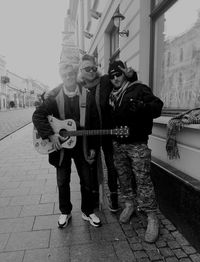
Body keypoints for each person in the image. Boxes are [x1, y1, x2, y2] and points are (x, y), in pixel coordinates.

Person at [32, 63, 101, 228]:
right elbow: (38, 115)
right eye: (65, 75)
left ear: (75, 74)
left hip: (82, 145)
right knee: (63, 181)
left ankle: (88, 211)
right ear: (61, 77)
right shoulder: (54, 96)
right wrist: (50, 134)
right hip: (61, 147)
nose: (69, 78)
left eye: (71, 74)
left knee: (87, 180)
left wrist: (93, 147)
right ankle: (65, 211)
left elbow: (95, 124)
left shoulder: (87, 95)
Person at [108, 60, 163, 243]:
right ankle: (130, 204)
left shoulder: (139, 88)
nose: (115, 78)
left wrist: (142, 107)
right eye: (112, 75)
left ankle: (152, 216)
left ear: (125, 74)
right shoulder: (111, 96)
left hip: (137, 144)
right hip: (118, 145)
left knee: (143, 180)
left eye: (118, 74)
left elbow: (157, 107)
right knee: (123, 178)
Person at [78, 54, 136, 212]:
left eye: (94, 68)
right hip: (91, 136)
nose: (91, 71)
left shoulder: (104, 81)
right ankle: (94, 200)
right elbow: (62, 88)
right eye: (87, 68)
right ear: (81, 70)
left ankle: (114, 199)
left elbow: (124, 84)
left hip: (109, 133)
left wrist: (132, 75)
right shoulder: (78, 87)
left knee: (112, 167)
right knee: (91, 167)